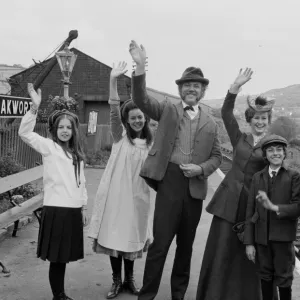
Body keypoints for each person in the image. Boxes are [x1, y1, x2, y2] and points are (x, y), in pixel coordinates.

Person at [129, 40, 222, 300]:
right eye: (187, 86)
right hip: (169, 182)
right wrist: (139, 66)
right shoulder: (167, 109)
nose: (191, 89)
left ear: (202, 91)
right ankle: (147, 295)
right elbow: (140, 98)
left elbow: (216, 157)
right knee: (160, 245)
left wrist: (201, 169)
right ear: (180, 90)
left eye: (196, 86)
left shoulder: (211, 123)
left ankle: (178, 295)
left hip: (194, 188)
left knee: (185, 247)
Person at [197, 68, 277, 300]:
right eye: (256, 118)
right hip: (229, 201)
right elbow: (225, 112)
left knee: (248, 253)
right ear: (249, 120)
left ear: (268, 121)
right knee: (222, 249)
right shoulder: (239, 138)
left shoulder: (273, 145)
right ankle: (215, 293)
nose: (260, 122)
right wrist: (234, 88)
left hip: (253, 205)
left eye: (264, 118)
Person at [88, 61, 154, 299]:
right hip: (117, 197)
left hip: (139, 198)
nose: (137, 121)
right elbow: (114, 107)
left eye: (140, 118)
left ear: (145, 119)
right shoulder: (120, 137)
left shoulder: (149, 144)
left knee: (132, 238)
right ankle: (117, 281)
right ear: (127, 121)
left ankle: (130, 279)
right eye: (133, 118)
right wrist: (113, 80)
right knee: (114, 236)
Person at [19, 84, 88, 300]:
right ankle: (58, 295)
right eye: (61, 127)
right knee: (57, 258)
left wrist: (83, 207)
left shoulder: (77, 155)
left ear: (74, 130)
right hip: (56, 210)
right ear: (54, 131)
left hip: (73, 210)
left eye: (68, 127)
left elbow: (81, 182)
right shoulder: (50, 148)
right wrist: (33, 109)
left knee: (64, 257)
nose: (65, 130)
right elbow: (25, 133)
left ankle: (60, 293)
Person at [244, 134, 300, 300]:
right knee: (265, 277)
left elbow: (298, 207)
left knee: (284, 279)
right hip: (262, 239)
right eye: (270, 150)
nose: (275, 153)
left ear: (284, 153)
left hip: (283, 239)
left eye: (279, 150)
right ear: (265, 155)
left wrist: (273, 207)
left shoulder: (294, 176)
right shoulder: (257, 177)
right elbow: (250, 209)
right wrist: (249, 242)